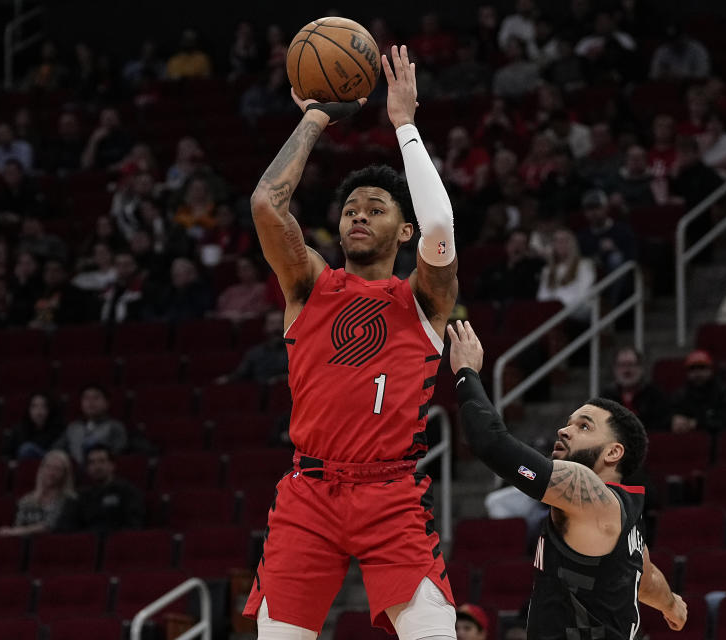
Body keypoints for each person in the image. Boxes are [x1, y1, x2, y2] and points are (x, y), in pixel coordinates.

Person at [242, 45, 460, 640]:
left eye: (376, 208)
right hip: (308, 494)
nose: (358, 216)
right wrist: (316, 115)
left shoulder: (424, 298)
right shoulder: (309, 284)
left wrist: (406, 125)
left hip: (391, 493)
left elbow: (441, 227)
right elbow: (266, 203)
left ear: (404, 229)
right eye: (350, 209)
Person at [446, 319, 687, 638]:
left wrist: (466, 373)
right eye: (569, 422)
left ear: (613, 453)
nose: (564, 430)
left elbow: (492, 443)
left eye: (584, 426)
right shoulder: (629, 517)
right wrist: (671, 605)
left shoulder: (585, 488)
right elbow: (647, 579)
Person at [60, 444, 145, 532]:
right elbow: (68, 527)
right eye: (92, 462)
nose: (97, 467)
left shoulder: (128, 491)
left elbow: (133, 524)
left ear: (112, 465)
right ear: (87, 469)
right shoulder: (80, 496)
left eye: (102, 461)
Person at [0, 450, 76, 536]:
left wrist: (17, 531)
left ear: (65, 474)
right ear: (41, 469)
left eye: (57, 469)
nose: (52, 473)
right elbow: (18, 525)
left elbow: (50, 526)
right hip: (25, 544)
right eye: (48, 467)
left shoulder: (68, 500)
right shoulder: (26, 500)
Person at [53, 385, 127, 464]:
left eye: (96, 398)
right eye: (86, 398)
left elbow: (118, 454)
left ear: (107, 403)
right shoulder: (73, 427)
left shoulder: (115, 427)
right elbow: (55, 451)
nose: (90, 402)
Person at [601, 347, 671, 432]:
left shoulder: (655, 395)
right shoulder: (606, 397)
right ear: (615, 370)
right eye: (622, 365)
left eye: (631, 364)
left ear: (641, 368)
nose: (627, 370)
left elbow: (662, 425)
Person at [669, 350, 726, 434]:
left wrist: (697, 423)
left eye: (702, 368)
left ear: (711, 370)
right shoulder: (681, 394)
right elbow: (670, 415)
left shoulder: (722, 392)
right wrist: (675, 420)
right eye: (693, 369)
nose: (697, 373)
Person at [215, 310, 288, 385]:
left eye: (280, 323)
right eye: (272, 323)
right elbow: (239, 375)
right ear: (265, 327)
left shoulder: (295, 352)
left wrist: (279, 380)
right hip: (258, 392)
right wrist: (225, 380)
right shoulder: (254, 353)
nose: (277, 328)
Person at [536, 228, 595, 322]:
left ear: (572, 244)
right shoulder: (547, 270)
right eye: (556, 241)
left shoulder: (584, 265)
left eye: (564, 240)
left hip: (576, 310)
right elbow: (542, 296)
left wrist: (560, 307)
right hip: (553, 312)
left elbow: (584, 295)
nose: (560, 244)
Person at [475, 230, 545, 302]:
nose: (517, 246)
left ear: (527, 247)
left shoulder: (533, 269)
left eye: (522, 243)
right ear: (507, 245)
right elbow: (480, 295)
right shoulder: (493, 269)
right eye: (513, 242)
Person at [8, 392, 65, 459]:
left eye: (43, 406)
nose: (39, 411)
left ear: (49, 409)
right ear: (28, 409)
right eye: (34, 406)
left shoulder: (58, 429)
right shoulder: (19, 430)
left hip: (52, 464)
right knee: (26, 448)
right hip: (27, 466)